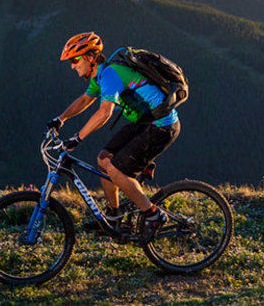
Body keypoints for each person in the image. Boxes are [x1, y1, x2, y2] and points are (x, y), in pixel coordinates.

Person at [46, 31, 181, 244]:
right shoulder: (100, 76)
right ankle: (114, 217)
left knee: (116, 170)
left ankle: (153, 215)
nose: (72, 66)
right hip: (145, 122)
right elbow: (84, 100)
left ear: (90, 57)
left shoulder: (110, 75)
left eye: (74, 60)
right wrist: (60, 119)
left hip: (162, 126)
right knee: (103, 159)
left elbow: (104, 112)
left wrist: (77, 139)